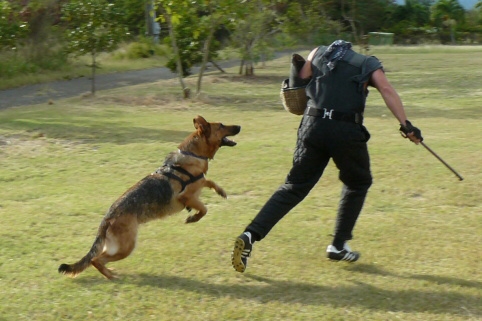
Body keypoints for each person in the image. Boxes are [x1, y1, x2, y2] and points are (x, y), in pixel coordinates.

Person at [231, 40, 423, 273]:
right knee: (358, 182)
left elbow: (298, 82)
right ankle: (338, 245)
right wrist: (406, 125)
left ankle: (250, 234)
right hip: (345, 130)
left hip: (312, 126)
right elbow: (386, 90)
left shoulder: (318, 53)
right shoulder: (369, 63)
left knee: (294, 186)